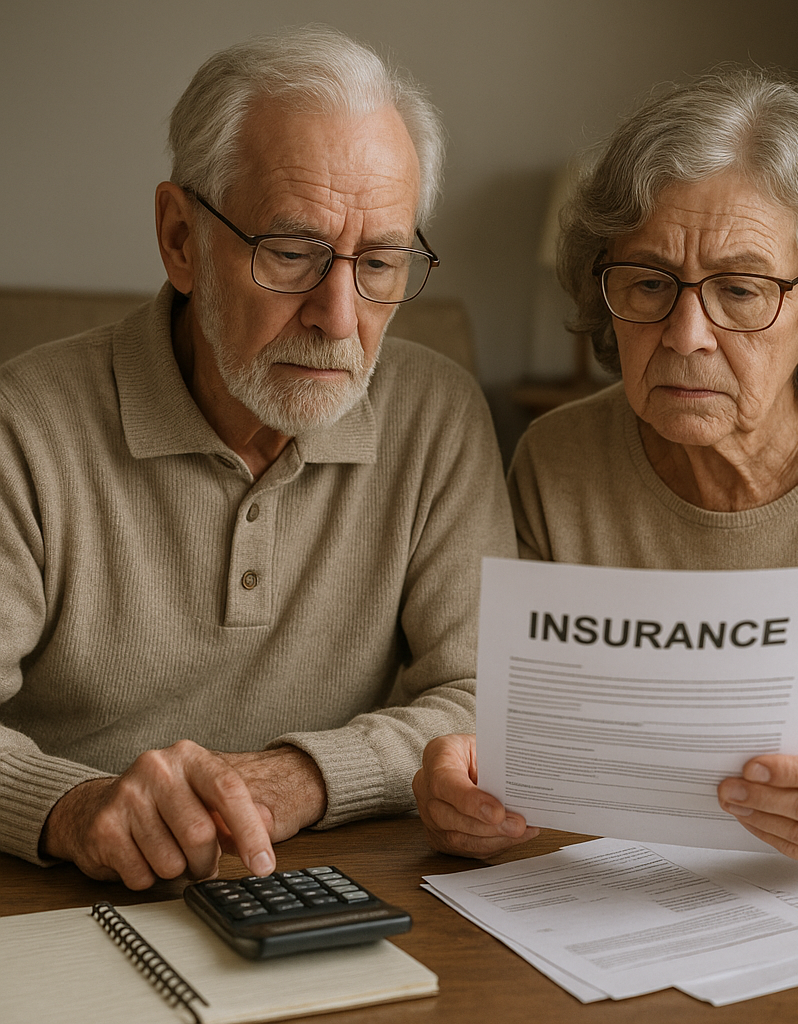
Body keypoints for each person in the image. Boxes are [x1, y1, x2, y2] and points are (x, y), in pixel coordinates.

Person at [414, 69, 798, 869]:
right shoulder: (558, 459)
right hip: (621, 895)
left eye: (739, 290)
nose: (686, 334)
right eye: (649, 283)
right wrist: (464, 783)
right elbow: (513, 726)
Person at [0, 26, 515, 889]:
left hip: (334, 882)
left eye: (380, 263)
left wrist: (303, 776)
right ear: (180, 238)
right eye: (291, 253)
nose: (339, 318)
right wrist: (73, 806)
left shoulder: (438, 416)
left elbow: (486, 697)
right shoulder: (23, 427)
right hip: (71, 896)